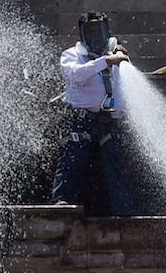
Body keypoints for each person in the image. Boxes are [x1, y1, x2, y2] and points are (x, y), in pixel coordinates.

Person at [50, 12, 136, 215]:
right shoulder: (72, 55)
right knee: (73, 158)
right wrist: (106, 61)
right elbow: (76, 75)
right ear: (82, 34)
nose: (97, 36)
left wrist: (118, 60)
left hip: (108, 122)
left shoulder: (116, 56)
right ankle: (61, 201)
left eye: (100, 30)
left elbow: (120, 89)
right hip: (80, 120)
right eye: (91, 31)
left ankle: (124, 212)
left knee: (116, 164)